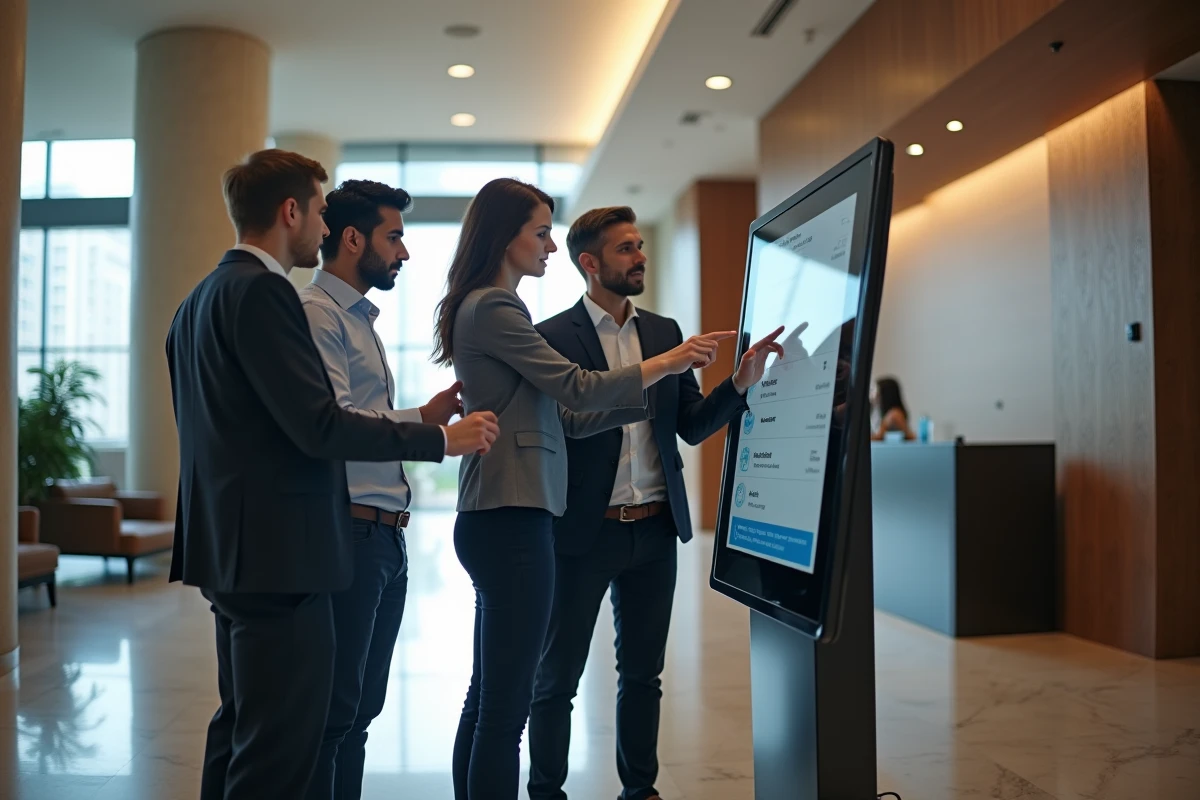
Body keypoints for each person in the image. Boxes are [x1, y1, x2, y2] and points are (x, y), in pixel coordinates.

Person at [166, 149, 499, 800]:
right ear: (291, 212)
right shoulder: (266, 294)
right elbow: (319, 425)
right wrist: (438, 438)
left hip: (229, 549)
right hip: (280, 555)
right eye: (318, 212)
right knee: (280, 750)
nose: (322, 230)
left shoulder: (197, 300)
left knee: (241, 730)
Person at [431, 178, 734, 800]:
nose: (547, 243)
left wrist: (673, 389)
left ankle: (636, 787)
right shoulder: (504, 309)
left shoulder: (498, 307)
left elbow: (568, 416)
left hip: (602, 521)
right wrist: (669, 363)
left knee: (495, 696)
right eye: (539, 231)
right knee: (516, 700)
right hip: (528, 518)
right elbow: (575, 390)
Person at [527, 206, 784, 800]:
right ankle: (545, 792)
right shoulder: (551, 337)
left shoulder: (665, 331)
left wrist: (738, 384)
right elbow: (562, 427)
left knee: (643, 676)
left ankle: (639, 792)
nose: (639, 256)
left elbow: (690, 426)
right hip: (581, 534)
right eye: (625, 249)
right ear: (589, 264)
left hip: (655, 531)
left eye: (640, 245)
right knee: (556, 679)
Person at [298, 180, 465, 799]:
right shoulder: (319, 315)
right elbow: (337, 424)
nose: (404, 252)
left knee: (360, 712)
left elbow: (364, 414)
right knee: (337, 712)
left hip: (383, 537)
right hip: (350, 531)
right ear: (351, 239)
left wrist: (427, 414)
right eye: (394, 237)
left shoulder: (358, 318)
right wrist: (435, 436)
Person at [870, 376, 915, 440]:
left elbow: (879, 436)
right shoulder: (878, 412)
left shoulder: (894, 414)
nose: (873, 394)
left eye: (875, 390)